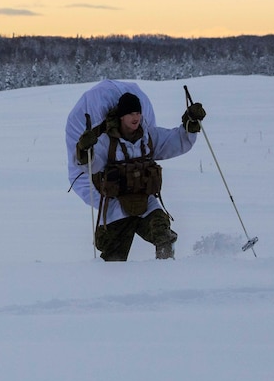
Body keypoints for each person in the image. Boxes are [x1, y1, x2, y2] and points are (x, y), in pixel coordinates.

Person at [74, 91, 205, 261]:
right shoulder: (107, 141)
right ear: (121, 116)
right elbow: (91, 165)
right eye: (130, 113)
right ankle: (108, 286)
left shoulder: (148, 137)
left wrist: (190, 123)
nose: (135, 117)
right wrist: (84, 150)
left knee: (164, 235)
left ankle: (167, 273)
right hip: (117, 207)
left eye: (137, 112)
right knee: (114, 261)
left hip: (146, 202)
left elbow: (176, 141)